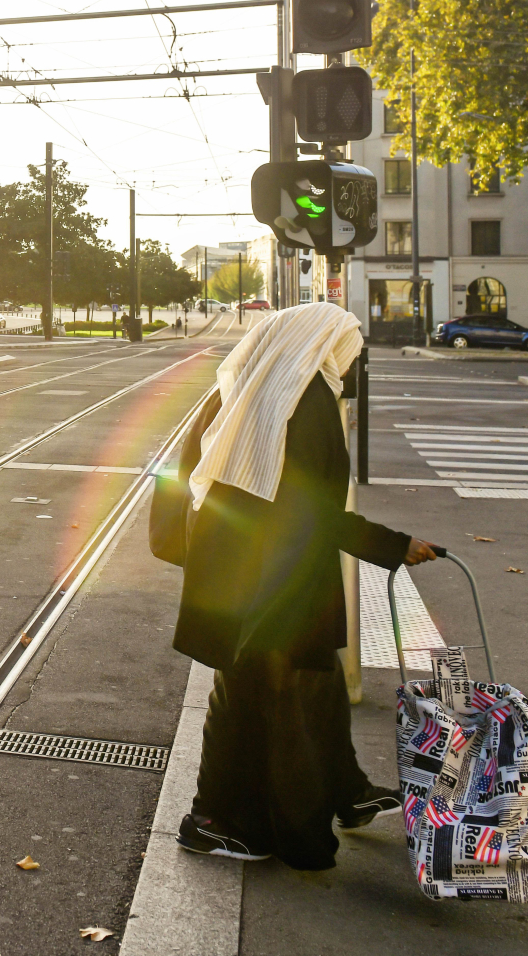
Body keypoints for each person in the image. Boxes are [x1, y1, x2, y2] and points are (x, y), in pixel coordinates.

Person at [171, 301, 441, 870]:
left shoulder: (245, 383)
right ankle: (216, 820)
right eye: (351, 347)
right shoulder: (308, 399)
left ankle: (343, 791)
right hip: (277, 580)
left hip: (236, 572)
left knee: (292, 687)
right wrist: (393, 545)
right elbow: (314, 510)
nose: (353, 361)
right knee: (263, 696)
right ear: (324, 344)